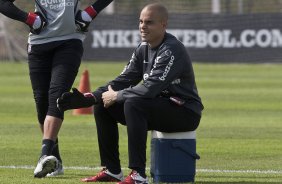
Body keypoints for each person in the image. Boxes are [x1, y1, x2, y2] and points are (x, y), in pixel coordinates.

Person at [57, 2, 204, 184]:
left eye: (149, 22)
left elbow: (149, 89)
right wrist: (90, 98)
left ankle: (138, 175)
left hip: (185, 111)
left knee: (134, 103)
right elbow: (121, 81)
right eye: (140, 21)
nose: (143, 26)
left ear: (163, 25)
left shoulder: (171, 50)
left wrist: (117, 96)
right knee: (103, 104)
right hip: (158, 107)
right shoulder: (143, 48)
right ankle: (112, 171)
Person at [0, 0, 114, 178]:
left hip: (69, 41)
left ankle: (44, 154)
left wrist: (90, 12)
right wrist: (28, 19)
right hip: (38, 44)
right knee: (41, 103)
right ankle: (56, 161)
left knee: (57, 96)